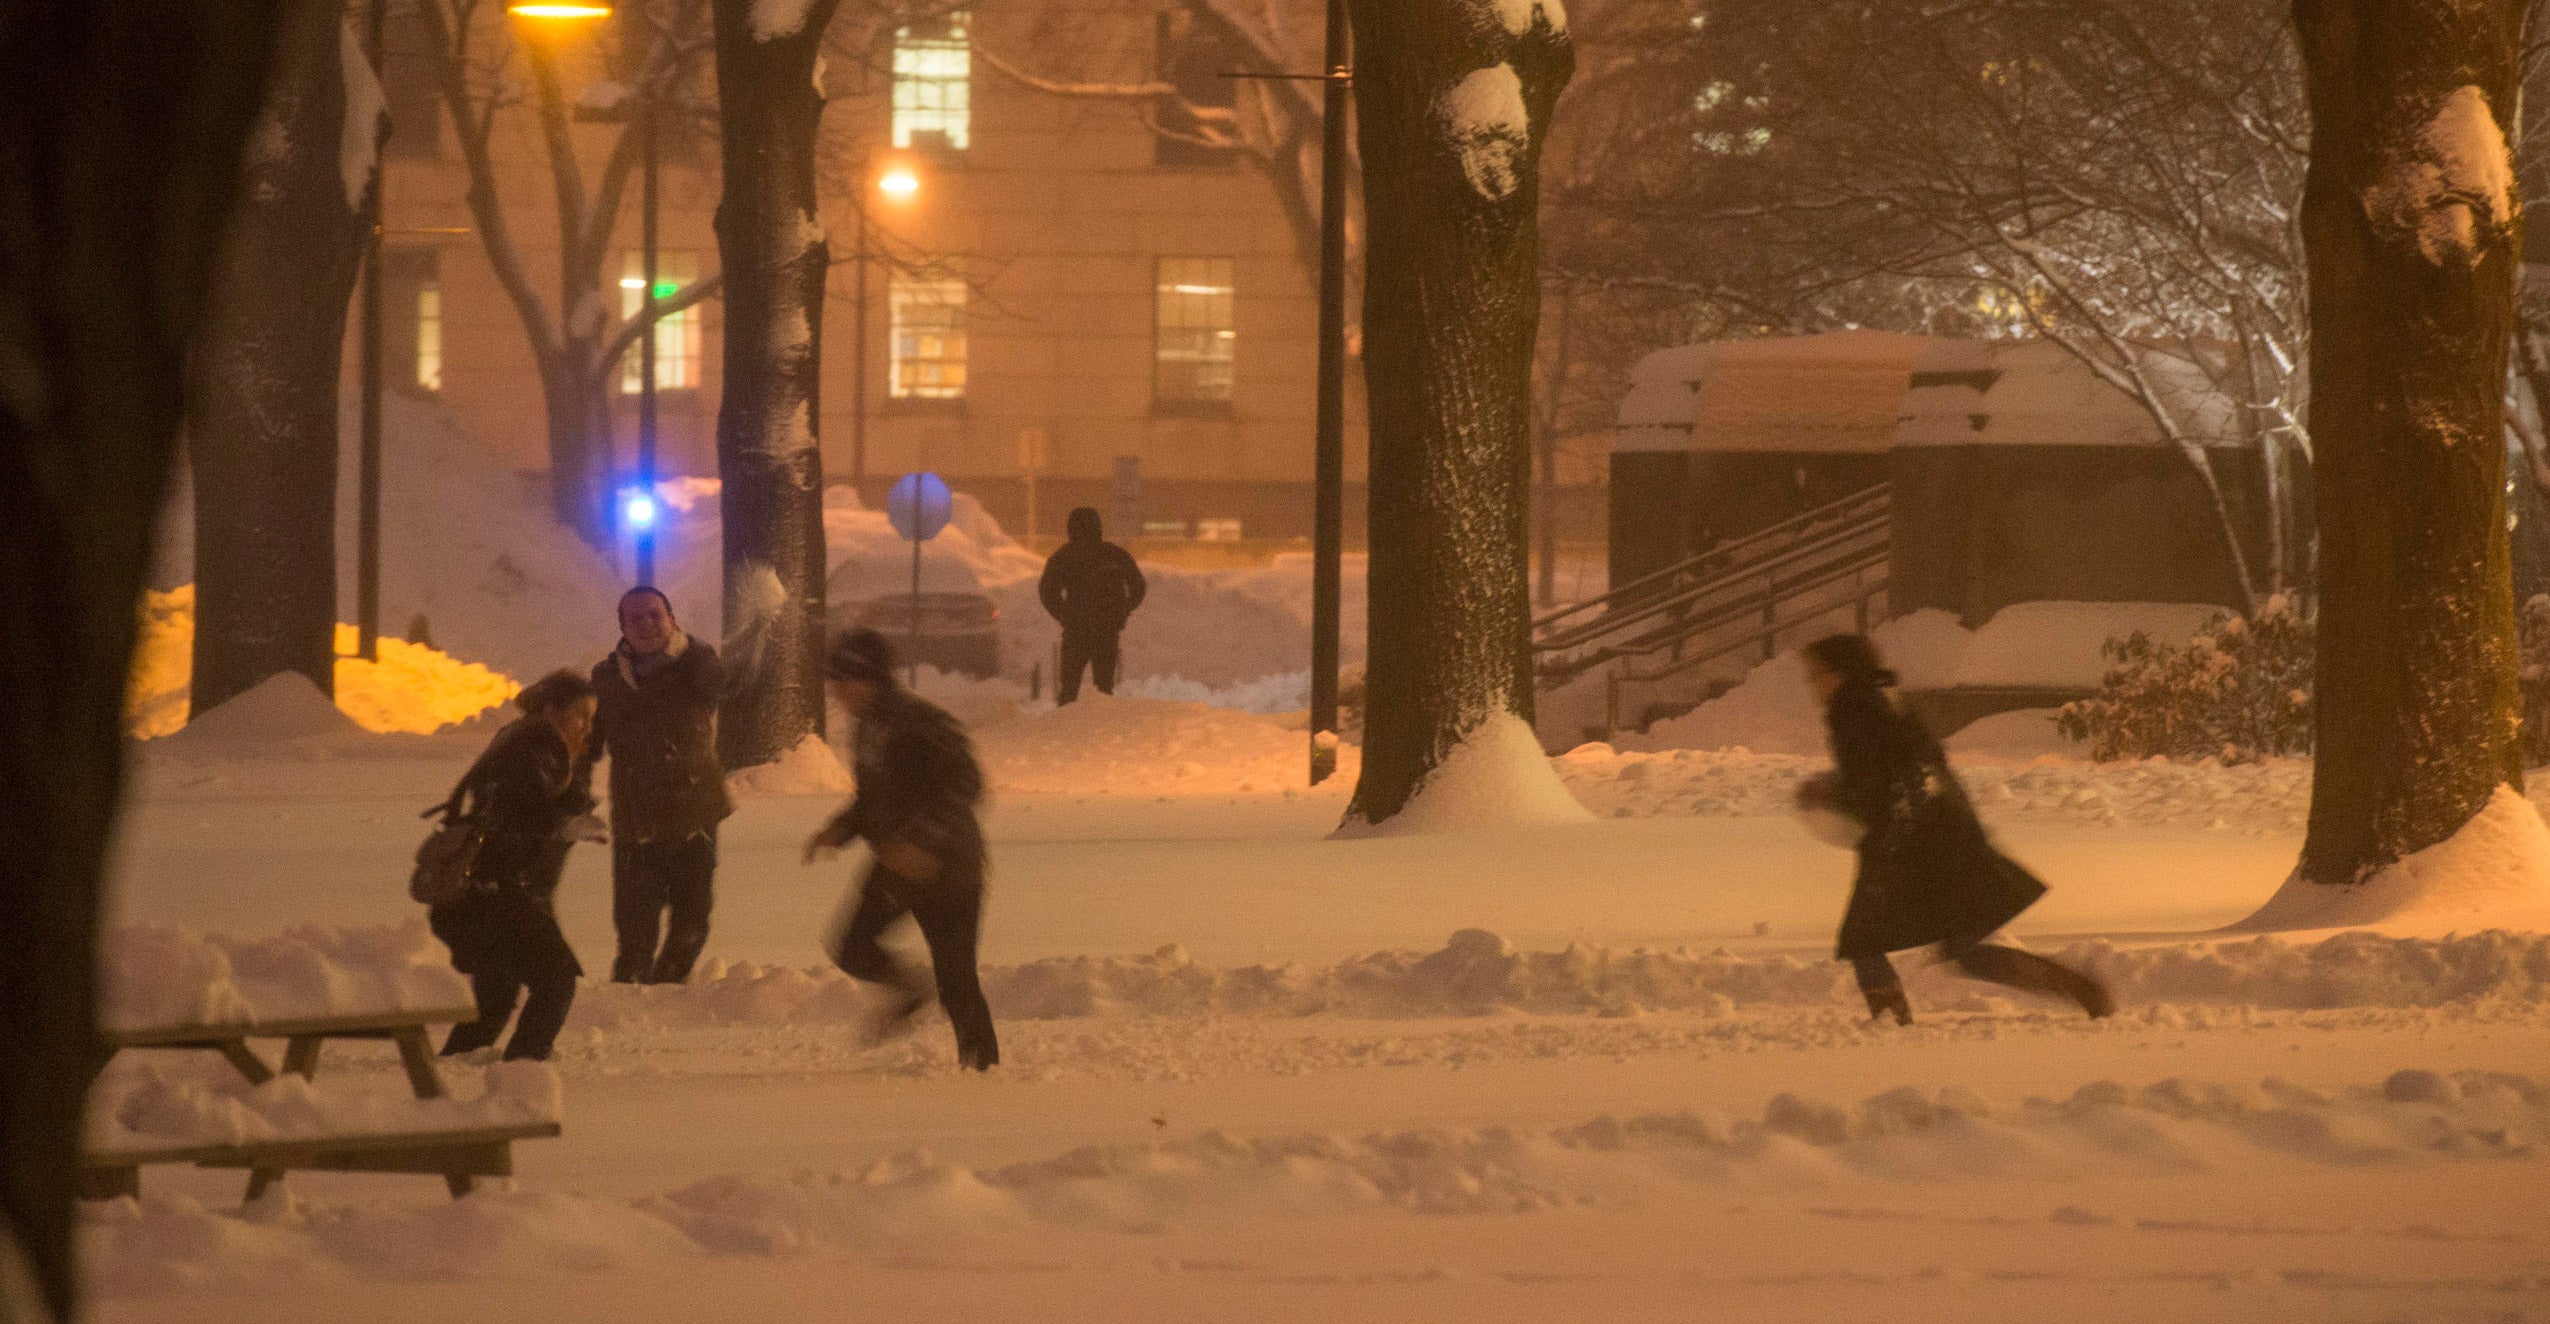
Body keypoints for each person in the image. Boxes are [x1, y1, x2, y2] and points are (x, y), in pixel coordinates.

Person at [1800, 634, 2113, 1026]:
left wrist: (1850, 805)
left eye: (1816, 673)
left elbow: (1894, 777)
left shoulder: (1856, 707)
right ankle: (2080, 988)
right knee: (1956, 949)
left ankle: (1890, 1026)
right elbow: (1890, 770)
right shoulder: (1878, 699)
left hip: (1915, 839)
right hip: (1935, 832)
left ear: (1839, 672)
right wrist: (1840, 792)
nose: (1812, 683)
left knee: (1867, 939)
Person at [804, 628, 999, 1070]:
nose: (835, 692)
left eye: (843, 681)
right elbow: (873, 798)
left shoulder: (924, 724)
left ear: (871, 678)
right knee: (852, 945)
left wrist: (923, 842)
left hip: (949, 868)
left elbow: (965, 787)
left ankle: (983, 1070)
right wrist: (839, 830)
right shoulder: (868, 727)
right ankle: (911, 990)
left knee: (957, 981)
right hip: (896, 865)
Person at [430, 671, 605, 1062]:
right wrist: (568, 822)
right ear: (550, 711)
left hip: (487, 892)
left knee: (495, 996)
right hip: (504, 893)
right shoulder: (536, 744)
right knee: (556, 980)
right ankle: (524, 1071)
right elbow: (524, 810)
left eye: (592, 717)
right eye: (580, 715)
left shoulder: (520, 739)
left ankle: (451, 1071)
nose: (587, 726)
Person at [588, 586, 731, 984]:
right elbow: (588, 746)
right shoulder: (606, 679)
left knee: (690, 922)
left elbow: (721, 685)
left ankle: (667, 992)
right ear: (622, 628)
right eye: (635, 618)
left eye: (655, 614)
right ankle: (629, 1000)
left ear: (672, 619)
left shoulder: (696, 663)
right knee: (634, 928)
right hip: (637, 820)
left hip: (694, 812)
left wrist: (691, 656)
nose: (647, 624)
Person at [1038, 506, 1147, 704]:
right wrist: (1123, 611)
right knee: (1104, 689)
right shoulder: (1114, 555)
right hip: (1107, 631)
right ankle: (1103, 730)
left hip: (1076, 632)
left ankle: (1064, 729)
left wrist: (1065, 615)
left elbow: (1047, 592)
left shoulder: (1064, 557)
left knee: (1069, 691)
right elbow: (1138, 587)